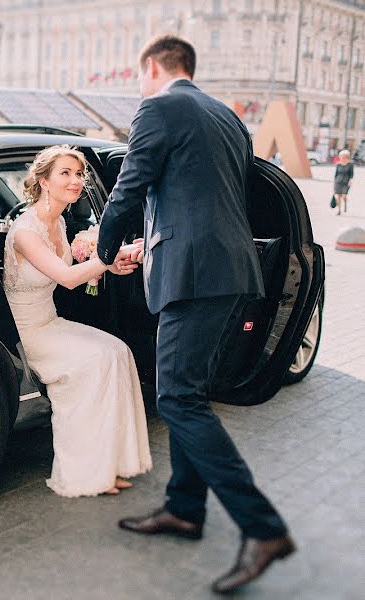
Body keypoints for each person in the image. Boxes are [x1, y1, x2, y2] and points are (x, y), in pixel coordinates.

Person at [96, 35, 295, 594]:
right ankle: (184, 508)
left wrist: (108, 250)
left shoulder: (159, 106)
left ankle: (262, 527)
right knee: (189, 392)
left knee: (176, 397)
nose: (139, 87)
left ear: (154, 66)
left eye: (140, 76)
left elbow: (131, 186)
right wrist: (156, 243)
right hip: (228, 271)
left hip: (192, 276)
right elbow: (200, 195)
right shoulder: (228, 118)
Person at [3, 144, 150, 498]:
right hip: (26, 332)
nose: (75, 180)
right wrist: (109, 255)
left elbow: (72, 271)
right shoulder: (25, 230)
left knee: (118, 352)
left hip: (51, 322)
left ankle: (108, 466)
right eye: (65, 173)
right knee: (95, 361)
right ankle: (82, 474)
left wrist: (111, 266)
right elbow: (67, 278)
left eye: (79, 174)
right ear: (43, 181)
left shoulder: (59, 222)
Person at [333, 149, 354, 215]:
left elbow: (351, 174)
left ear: (347, 157)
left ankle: (345, 204)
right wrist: (334, 183)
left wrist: (350, 180)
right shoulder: (338, 165)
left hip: (346, 183)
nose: (343, 158)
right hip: (338, 182)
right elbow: (336, 174)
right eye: (342, 157)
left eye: (345, 157)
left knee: (344, 196)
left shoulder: (350, 165)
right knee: (338, 196)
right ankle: (339, 210)